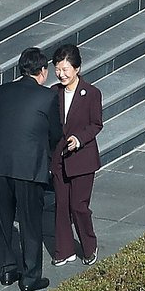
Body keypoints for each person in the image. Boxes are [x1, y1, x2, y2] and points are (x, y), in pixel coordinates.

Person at [0, 47, 62, 291]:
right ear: (42, 71)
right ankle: (30, 277)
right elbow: (56, 133)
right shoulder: (48, 97)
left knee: (0, 219)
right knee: (30, 222)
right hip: (29, 166)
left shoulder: (3, 91)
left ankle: (6, 270)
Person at [50, 44, 103, 267]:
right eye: (57, 69)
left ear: (77, 68)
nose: (61, 74)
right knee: (61, 205)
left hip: (82, 159)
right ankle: (64, 250)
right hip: (59, 158)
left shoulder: (91, 93)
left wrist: (79, 139)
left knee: (78, 205)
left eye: (65, 69)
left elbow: (95, 125)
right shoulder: (53, 92)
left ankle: (89, 247)